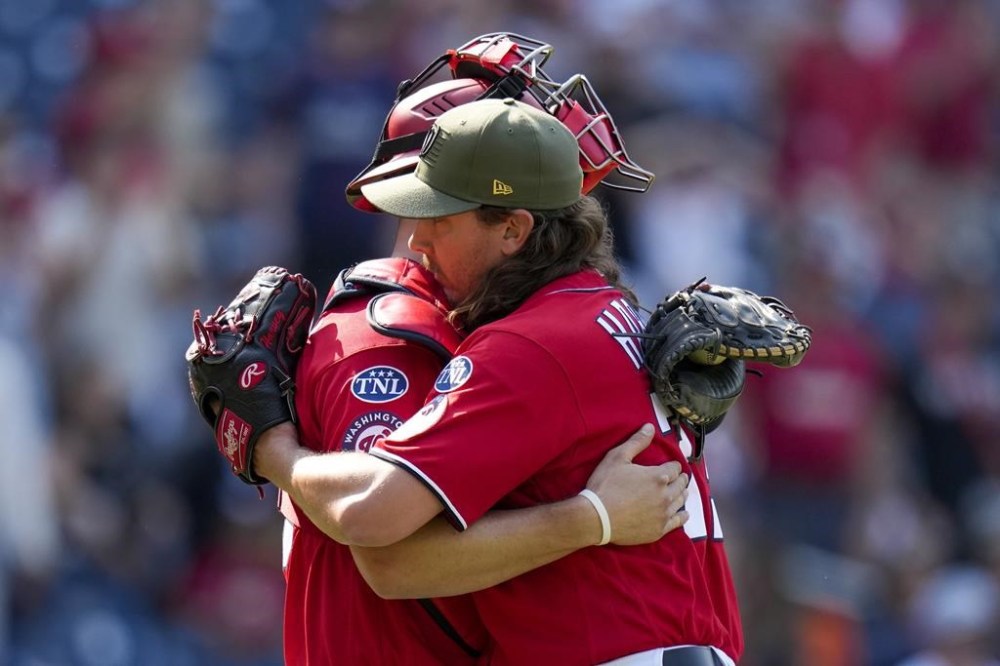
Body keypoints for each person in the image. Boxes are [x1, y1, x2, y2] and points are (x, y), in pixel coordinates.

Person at [244, 38, 688, 665]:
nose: (417, 239)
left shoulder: (535, 336)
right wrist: (589, 517)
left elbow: (382, 534)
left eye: (439, 217)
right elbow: (387, 547)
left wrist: (273, 449)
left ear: (514, 228)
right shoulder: (604, 317)